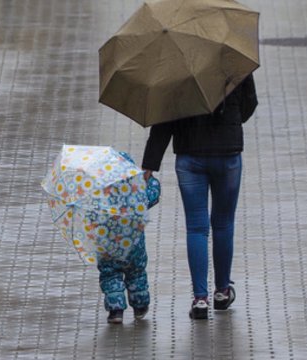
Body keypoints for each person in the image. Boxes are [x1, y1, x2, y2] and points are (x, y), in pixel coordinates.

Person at [141, 74, 258, 319]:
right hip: (228, 153)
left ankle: (200, 299)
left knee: (196, 227)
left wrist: (150, 163)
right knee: (224, 224)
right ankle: (223, 291)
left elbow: (164, 119)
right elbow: (250, 104)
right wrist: (230, 120)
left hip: (190, 155)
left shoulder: (176, 64)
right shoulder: (235, 56)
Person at [94, 152, 161, 324]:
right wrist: (150, 179)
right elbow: (154, 193)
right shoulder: (136, 194)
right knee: (137, 274)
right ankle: (140, 305)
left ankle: (116, 310)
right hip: (134, 247)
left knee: (110, 276)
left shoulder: (98, 196)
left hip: (107, 248)